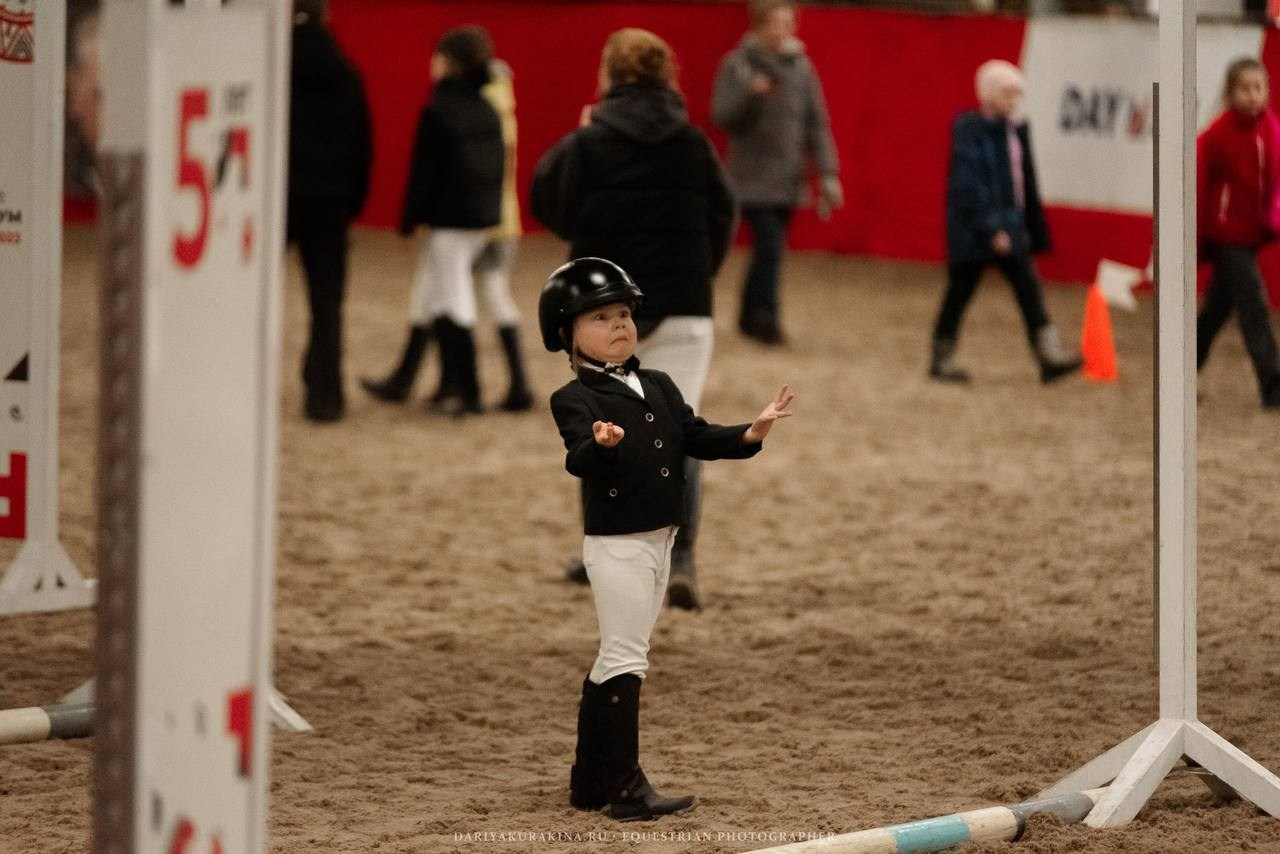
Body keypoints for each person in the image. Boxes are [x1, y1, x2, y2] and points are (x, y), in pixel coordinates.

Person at [539, 257, 793, 820]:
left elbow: (694, 436)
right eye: (601, 317)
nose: (619, 326)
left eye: (624, 314)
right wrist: (600, 445)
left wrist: (750, 432)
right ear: (566, 334)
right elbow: (577, 458)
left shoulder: (658, 383)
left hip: (660, 539)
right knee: (627, 656)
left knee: (619, 655)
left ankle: (588, 780)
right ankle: (627, 788)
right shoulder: (574, 399)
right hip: (618, 543)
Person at [532, 28, 736, 609]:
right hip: (685, 304)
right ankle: (683, 561)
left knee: (601, 431)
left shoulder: (590, 140)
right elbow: (725, 211)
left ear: (610, 75)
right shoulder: (695, 143)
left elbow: (547, 200)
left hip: (599, 309)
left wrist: (581, 137)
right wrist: (701, 269)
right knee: (682, 436)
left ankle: (607, 553)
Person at [363, 55, 533, 413]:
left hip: (480, 219)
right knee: (437, 291)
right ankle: (429, 380)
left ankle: (473, 386)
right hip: (496, 218)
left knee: (462, 293)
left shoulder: (473, 110)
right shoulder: (499, 111)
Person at [928, 59, 1082, 385]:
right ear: (987, 94)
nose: (1014, 100)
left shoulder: (1015, 132)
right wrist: (991, 228)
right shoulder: (970, 132)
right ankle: (941, 357)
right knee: (960, 291)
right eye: (1007, 92)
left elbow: (1023, 184)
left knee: (1028, 289)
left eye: (1017, 93)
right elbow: (968, 187)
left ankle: (1049, 355)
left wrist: (1026, 228)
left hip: (1011, 230)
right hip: (976, 232)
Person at [710, 0, 840, 345]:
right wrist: (751, 95)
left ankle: (749, 315)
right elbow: (722, 115)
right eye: (774, 23)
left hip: (789, 177)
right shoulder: (737, 65)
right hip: (750, 177)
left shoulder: (802, 68)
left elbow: (817, 124)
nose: (781, 30)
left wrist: (828, 172)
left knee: (770, 249)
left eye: (787, 23)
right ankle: (766, 319)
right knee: (769, 246)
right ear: (757, 26)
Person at [287, 0, 372, 422]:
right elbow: (362, 145)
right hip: (329, 202)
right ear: (326, 16)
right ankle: (326, 398)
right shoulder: (346, 74)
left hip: (277, 202)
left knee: (250, 300)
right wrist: (352, 200)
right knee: (326, 303)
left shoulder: (273, 71)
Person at [1196, 57, 1280, 410]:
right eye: (1244, 89)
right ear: (1230, 93)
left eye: (1258, 88)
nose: (1253, 96)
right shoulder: (1217, 134)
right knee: (1254, 307)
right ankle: (1274, 385)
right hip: (1226, 234)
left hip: (1252, 232)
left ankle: (1179, 370)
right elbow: (1199, 185)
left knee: (1218, 308)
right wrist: (1197, 237)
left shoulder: (1271, 129)